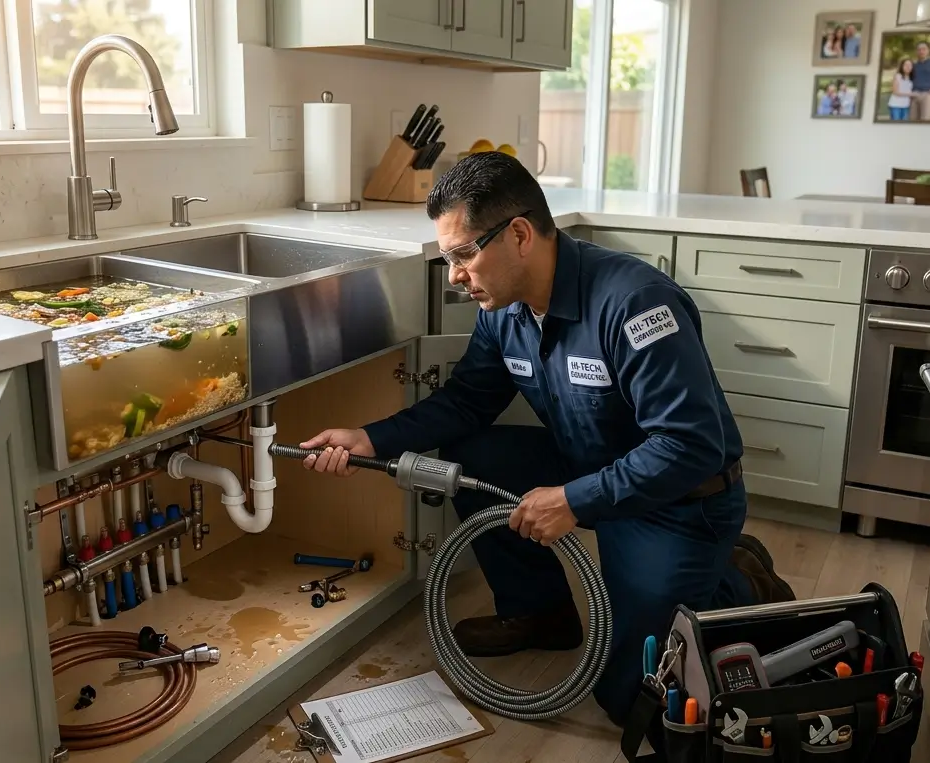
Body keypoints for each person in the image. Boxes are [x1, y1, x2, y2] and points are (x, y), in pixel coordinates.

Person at [297, 152, 795, 726]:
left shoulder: (635, 304)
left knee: (630, 702)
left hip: (678, 502)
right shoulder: (502, 309)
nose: (456, 276)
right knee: (474, 455)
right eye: (447, 259)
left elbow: (691, 445)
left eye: (463, 255)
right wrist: (368, 438)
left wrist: (574, 500)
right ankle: (541, 614)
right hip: (591, 467)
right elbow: (466, 402)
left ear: (518, 235)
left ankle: (736, 583)